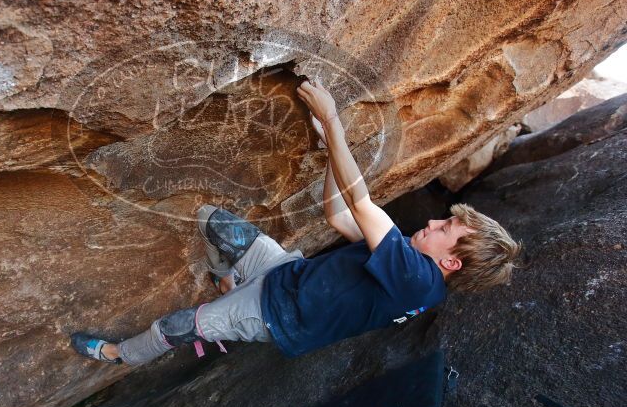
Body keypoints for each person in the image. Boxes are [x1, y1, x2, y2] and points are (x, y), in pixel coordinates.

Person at [70, 79, 521, 365]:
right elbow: (340, 214)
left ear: (453, 263)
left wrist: (334, 122)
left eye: (446, 230)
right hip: (286, 274)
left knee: (177, 327)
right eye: (445, 220)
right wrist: (330, 152)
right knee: (214, 221)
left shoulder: (417, 280)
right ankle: (226, 279)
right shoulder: (409, 262)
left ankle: (119, 355)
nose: (434, 221)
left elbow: (362, 204)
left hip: (274, 314)